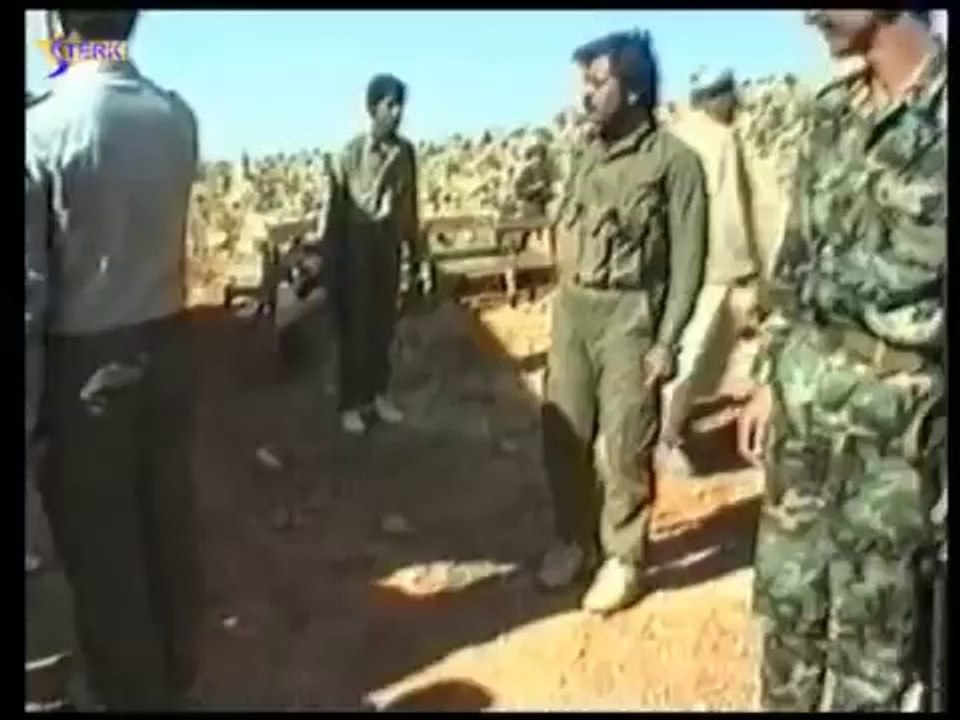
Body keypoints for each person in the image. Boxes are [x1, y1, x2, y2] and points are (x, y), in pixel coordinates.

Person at [736, 9, 946, 711]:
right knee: (788, 616)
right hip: (807, 407)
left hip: (900, 432)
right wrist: (769, 376)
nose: (809, 15)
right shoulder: (831, 115)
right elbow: (793, 263)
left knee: (875, 648)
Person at [26, 10, 203, 710]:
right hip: (170, 348)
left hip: (86, 366)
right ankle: (177, 680)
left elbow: (31, 294)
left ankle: (131, 696)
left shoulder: (43, 129)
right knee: (166, 527)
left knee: (106, 556)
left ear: (59, 24)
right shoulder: (175, 117)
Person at [538, 30, 707, 614]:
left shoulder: (675, 164)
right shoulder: (584, 155)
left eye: (597, 82)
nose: (585, 95)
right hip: (573, 310)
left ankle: (624, 556)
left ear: (632, 89)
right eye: (583, 83)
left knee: (626, 442)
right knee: (563, 432)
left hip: (630, 316)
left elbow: (688, 261)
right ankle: (573, 540)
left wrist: (667, 341)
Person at [659, 69, 762, 477]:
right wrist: (747, 266)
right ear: (714, 98)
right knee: (691, 358)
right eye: (730, 96)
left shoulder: (677, 136)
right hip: (712, 268)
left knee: (696, 357)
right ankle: (665, 441)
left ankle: (674, 428)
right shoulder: (716, 139)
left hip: (691, 267)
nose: (735, 103)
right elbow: (731, 212)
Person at [326, 74, 426, 435]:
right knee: (355, 330)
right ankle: (350, 403)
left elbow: (410, 208)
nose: (396, 113)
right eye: (389, 105)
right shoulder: (350, 154)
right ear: (373, 108)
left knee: (383, 327)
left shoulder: (405, 153)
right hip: (356, 253)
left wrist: (417, 257)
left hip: (388, 250)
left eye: (400, 106)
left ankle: (378, 395)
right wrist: (331, 265)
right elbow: (335, 214)